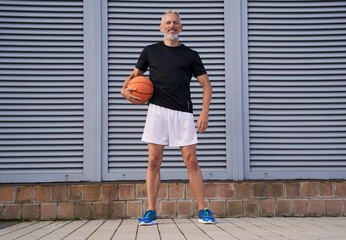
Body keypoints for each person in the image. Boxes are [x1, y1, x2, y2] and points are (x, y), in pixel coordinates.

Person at [121, 10, 215, 225]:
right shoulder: (150, 51)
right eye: (168, 23)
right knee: (153, 160)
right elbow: (134, 76)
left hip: (183, 112)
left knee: (191, 161)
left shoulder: (190, 54)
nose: (172, 26)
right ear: (161, 27)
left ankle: (203, 210)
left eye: (175, 23)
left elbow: (206, 85)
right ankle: (151, 211)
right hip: (157, 111)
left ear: (181, 28)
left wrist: (204, 112)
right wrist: (123, 89)